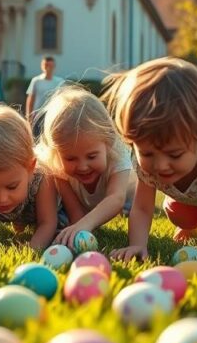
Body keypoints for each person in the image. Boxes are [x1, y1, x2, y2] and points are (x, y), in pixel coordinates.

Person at [103, 58, 197, 270]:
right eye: (147, 153)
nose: (161, 165)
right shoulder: (145, 158)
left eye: (174, 155)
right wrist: (137, 245)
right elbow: (141, 207)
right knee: (181, 217)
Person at [35, 86, 137, 248]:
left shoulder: (118, 154)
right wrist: (78, 227)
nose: (82, 166)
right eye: (70, 158)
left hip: (128, 201)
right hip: (86, 205)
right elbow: (77, 214)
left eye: (91, 156)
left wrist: (85, 224)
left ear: (108, 142)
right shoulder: (57, 165)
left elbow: (116, 198)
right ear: (57, 152)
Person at [0, 103, 63, 252]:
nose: (2, 198)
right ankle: (19, 221)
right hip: (22, 213)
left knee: (62, 230)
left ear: (30, 167)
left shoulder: (43, 179)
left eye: (11, 186)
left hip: (57, 212)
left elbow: (47, 223)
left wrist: (31, 250)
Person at [25, 56, 64, 135]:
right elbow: (31, 98)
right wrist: (29, 115)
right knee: (36, 137)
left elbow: (62, 99)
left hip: (53, 114)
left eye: (50, 66)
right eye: (46, 65)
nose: (48, 68)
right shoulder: (36, 80)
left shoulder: (60, 82)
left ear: (54, 67)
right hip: (38, 114)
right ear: (42, 66)